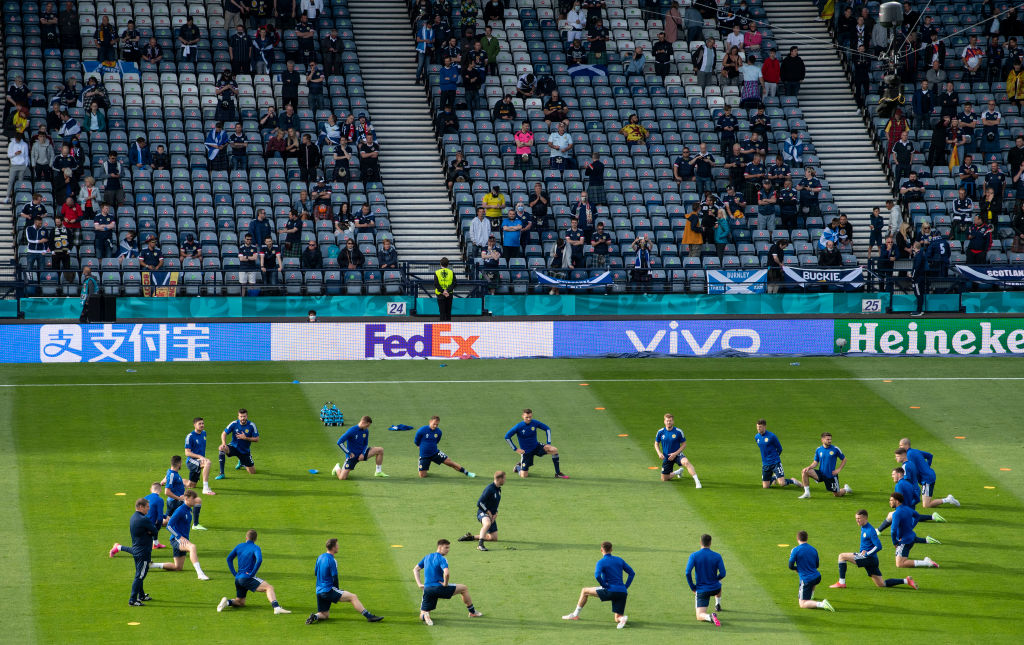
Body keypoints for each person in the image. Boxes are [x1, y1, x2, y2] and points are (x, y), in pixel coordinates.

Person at [830, 509, 917, 590]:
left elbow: (879, 546)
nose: (857, 520)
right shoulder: (863, 527)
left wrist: (867, 554)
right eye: (856, 518)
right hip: (872, 560)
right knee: (881, 584)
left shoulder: (870, 530)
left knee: (842, 556)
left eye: (859, 518)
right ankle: (906, 581)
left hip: (868, 558)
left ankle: (842, 583)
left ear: (865, 518)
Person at [306, 538, 383, 624]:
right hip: (328, 590)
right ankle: (370, 617)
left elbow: (316, 573)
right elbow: (335, 577)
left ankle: (314, 616)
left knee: (325, 615)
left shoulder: (320, 557)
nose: (338, 547)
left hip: (319, 591)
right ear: (333, 547)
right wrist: (337, 590)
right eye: (337, 545)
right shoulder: (332, 560)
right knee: (353, 597)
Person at [562, 541, 635, 629]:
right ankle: (622, 618)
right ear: (611, 549)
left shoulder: (601, 562)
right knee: (617, 618)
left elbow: (597, 575)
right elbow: (632, 573)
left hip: (610, 590)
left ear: (601, 550)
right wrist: (625, 586)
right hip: (622, 592)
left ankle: (575, 615)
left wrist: (604, 585)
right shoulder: (619, 560)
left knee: (584, 591)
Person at [217, 530, 291, 614]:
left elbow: (229, 559)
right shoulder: (256, 548)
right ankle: (276, 607)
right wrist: (252, 573)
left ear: (246, 538)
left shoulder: (239, 546)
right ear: (255, 539)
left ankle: (226, 603)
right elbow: (259, 560)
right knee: (269, 588)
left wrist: (234, 573)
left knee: (240, 602)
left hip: (238, 579)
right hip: (247, 577)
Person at [413, 539, 482, 626]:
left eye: (449, 548)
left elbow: (415, 569)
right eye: (446, 547)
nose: (448, 550)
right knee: (464, 588)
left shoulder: (427, 557)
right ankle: (472, 612)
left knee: (422, 613)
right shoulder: (442, 559)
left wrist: (419, 584)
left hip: (427, 589)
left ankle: (426, 615)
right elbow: (446, 573)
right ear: (439, 547)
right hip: (439, 588)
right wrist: (445, 584)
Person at [150, 490, 209, 579]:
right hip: (176, 539)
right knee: (192, 547)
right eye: (193, 499)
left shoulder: (189, 510)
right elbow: (169, 526)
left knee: (178, 567)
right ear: (186, 499)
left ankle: (152, 565)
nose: (195, 501)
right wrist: (179, 536)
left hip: (183, 539)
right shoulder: (180, 510)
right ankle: (200, 573)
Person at [118, 497, 159, 606]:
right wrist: (150, 532)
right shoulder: (143, 519)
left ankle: (141, 595)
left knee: (139, 573)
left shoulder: (133, 517)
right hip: (143, 552)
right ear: (140, 507)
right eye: (147, 507)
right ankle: (132, 599)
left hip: (137, 549)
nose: (148, 510)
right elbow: (155, 530)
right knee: (140, 576)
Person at [504, 408, 568, 479]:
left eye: (530, 417)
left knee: (554, 450)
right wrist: (515, 449)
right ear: (522, 416)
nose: (529, 419)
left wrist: (548, 443)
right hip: (526, 452)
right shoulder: (518, 426)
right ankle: (518, 467)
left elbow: (547, 429)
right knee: (524, 476)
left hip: (536, 446)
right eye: (526, 417)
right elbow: (507, 437)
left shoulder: (534, 423)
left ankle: (558, 473)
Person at [896, 440, 960, 509]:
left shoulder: (909, 455)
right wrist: (927, 467)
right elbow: (930, 456)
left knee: (926, 505)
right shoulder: (915, 451)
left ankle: (948, 499)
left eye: (901, 445)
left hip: (927, 479)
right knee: (925, 502)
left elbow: (913, 469)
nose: (899, 447)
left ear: (907, 445)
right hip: (928, 475)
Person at [888, 492, 941, 569]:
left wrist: (895, 542)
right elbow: (917, 516)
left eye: (891, 500)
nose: (890, 502)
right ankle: (927, 557)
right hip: (911, 537)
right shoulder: (907, 508)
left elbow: (893, 530)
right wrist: (912, 526)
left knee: (900, 564)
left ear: (897, 501)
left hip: (904, 541)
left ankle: (927, 563)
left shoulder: (896, 514)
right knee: (901, 560)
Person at [458, 471, 504, 550]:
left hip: (491, 515)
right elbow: (479, 503)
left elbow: (496, 503)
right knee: (487, 523)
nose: (505, 481)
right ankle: (480, 545)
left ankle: (471, 537)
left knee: (493, 538)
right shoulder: (490, 488)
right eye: (504, 479)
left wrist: (496, 513)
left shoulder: (498, 490)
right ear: (499, 479)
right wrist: (488, 512)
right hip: (483, 512)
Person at [654, 413, 702, 487]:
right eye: (667, 421)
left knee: (686, 462)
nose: (669, 422)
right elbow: (656, 443)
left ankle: (697, 481)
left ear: (673, 421)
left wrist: (675, 454)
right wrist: (659, 453)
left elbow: (684, 444)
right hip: (667, 457)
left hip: (677, 454)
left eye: (670, 421)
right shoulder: (660, 432)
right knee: (664, 479)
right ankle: (677, 472)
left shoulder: (678, 431)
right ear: (664, 421)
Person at [332, 415, 387, 479]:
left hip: (362, 453)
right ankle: (337, 468)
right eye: (367, 425)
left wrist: (363, 454)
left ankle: (378, 471)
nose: (368, 427)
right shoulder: (352, 431)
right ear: (363, 422)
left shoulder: (366, 431)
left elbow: (365, 444)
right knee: (342, 478)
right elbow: (339, 442)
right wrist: (349, 453)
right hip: (352, 456)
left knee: (380, 450)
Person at [799, 432, 852, 498]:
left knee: (837, 494)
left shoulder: (835, 449)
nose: (830, 441)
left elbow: (844, 459)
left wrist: (838, 469)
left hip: (831, 475)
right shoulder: (818, 449)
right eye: (828, 439)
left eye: (830, 439)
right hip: (821, 473)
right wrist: (809, 467)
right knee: (805, 471)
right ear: (822, 440)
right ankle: (807, 493)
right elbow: (815, 462)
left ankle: (846, 489)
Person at [685, 534, 724, 626]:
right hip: (715, 589)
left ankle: (710, 617)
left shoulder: (694, 556)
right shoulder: (717, 556)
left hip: (702, 591)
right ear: (710, 543)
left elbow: (687, 572)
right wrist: (715, 580)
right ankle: (717, 604)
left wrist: (693, 587)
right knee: (719, 583)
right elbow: (723, 573)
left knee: (699, 615)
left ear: (700, 542)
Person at [754, 419, 801, 489]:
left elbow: (780, 448)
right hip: (765, 464)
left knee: (782, 483)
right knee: (765, 487)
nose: (758, 428)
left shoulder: (772, 436)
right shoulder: (756, 437)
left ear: (764, 427)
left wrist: (775, 457)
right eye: (757, 427)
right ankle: (774, 477)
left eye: (760, 427)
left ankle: (793, 481)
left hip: (775, 463)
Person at [217, 408, 260, 479]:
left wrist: (246, 438)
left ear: (247, 416)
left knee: (252, 472)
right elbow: (224, 433)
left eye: (244, 416)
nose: (243, 418)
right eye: (241, 416)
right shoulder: (234, 424)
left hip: (244, 451)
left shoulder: (252, 425)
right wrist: (224, 443)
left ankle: (242, 462)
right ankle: (222, 473)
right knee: (221, 448)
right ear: (238, 417)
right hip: (233, 447)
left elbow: (257, 439)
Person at [184, 416, 216, 497]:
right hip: (191, 461)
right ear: (194, 425)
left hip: (199, 460)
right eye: (199, 424)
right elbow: (187, 453)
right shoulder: (190, 436)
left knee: (191, 485)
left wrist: (201, 458)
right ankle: (205, 488)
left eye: (203, 423)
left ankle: (170, 478)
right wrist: (200, 457)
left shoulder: (204, 433)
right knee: (207, 463)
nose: (202, 425)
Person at [434, 256, 456, 321]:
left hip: (440, 294)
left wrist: (443, 291)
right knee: (448, 313)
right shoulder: (451, 272)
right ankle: (449, 329)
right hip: (449, 294)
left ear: (440, 264)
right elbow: (454, 283)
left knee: (442, 312)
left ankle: (443, 329)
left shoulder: (437, 272)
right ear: (448, 264)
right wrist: (447, 291)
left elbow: (436, 284)